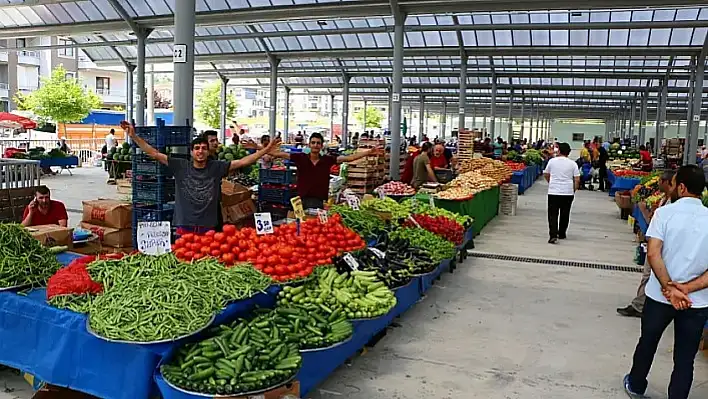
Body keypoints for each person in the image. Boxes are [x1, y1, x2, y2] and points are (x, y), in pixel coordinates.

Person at [623, 165, 708, 399]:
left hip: (660, 296)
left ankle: (636, 385)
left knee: (648, 342)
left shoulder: (665, 213)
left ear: (680, 187)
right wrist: (687, 289)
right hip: (696, 301)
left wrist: (669, 288)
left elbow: (653, 253)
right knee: (685, 357)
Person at [121, 121, 280, 232]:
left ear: (207, 150)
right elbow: (154, 153)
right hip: (184, 223)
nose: (200, 151)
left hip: (208, 225)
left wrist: (265, 150)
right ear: (191, 152)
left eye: (204, 148)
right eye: (196, 148)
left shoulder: (217, 167)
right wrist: (134, 136)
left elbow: (243, 162)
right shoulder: (180, 165)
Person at [617, 170, 677, 318]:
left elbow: (657, 223)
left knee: (649, 274)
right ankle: (641, 304)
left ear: (668, 183)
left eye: (661, 180)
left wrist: (645, 210)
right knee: (649, 275)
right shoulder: (665, 199)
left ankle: (640, 306)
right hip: (657, 243)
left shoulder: (671, 205)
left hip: (660, 245)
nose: (658, 183)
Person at [270, 132, 381, 209]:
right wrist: (260, 148)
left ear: (322, 146)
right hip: (301, 198)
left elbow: (350, 158)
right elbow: (279, 154)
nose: (315, 145)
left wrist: (369, 152)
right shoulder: (301, 157)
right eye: (313, 143)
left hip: (318, 199)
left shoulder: (327, 160)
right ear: (309, 145)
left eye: (318, 143)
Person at [543, 142, 579, 244]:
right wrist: (573, 190)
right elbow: (577, 179)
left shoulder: (552, 161)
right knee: (565, 213)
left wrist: (551, 182)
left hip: (554, 191)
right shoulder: (573, 164)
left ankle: (553, 235)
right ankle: (562, 233)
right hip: (568, 192)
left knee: (553, 214)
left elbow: (546, 174)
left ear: (559, 151)